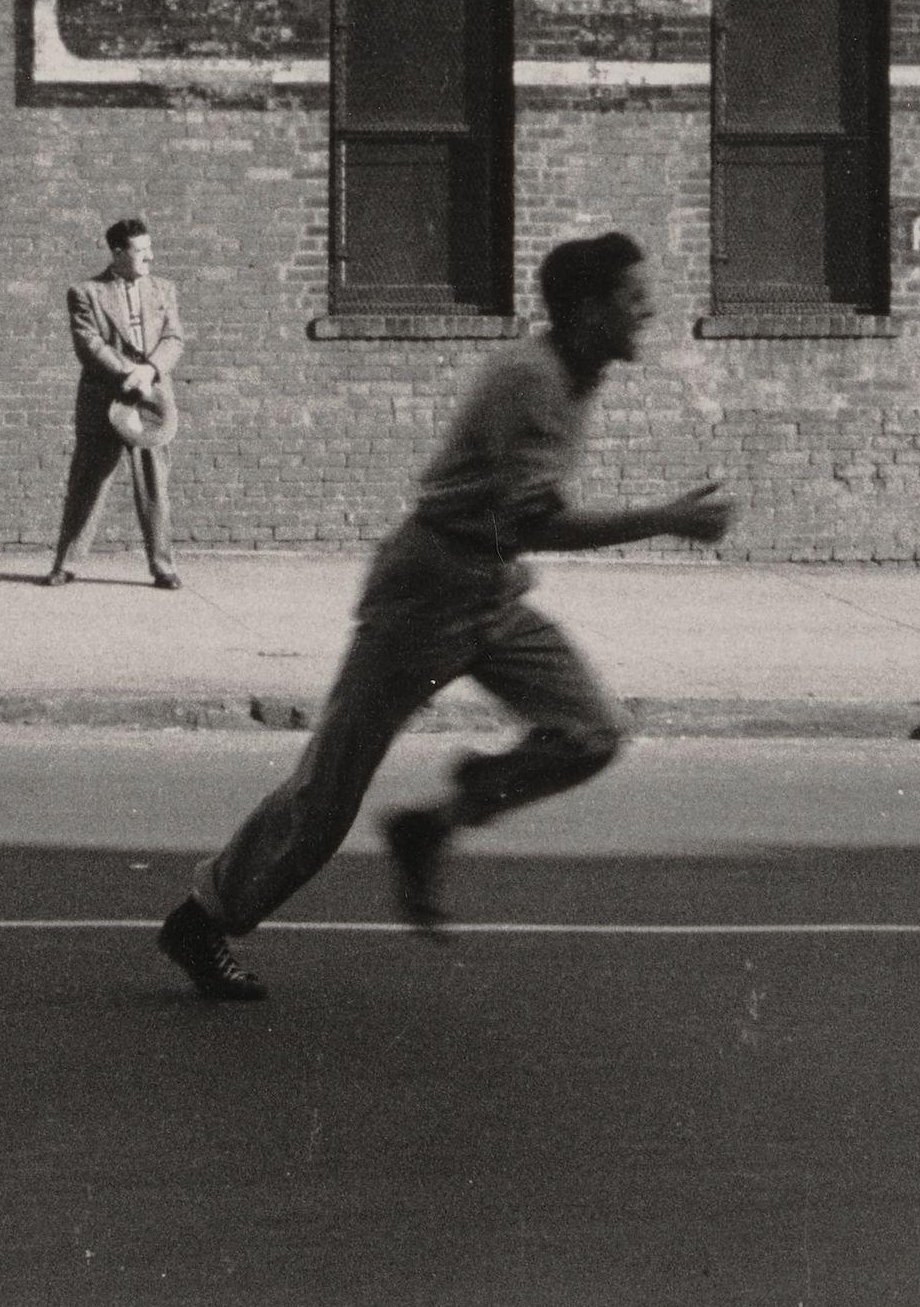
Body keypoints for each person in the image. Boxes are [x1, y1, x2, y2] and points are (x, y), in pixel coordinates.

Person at [158, 232, 734, 1002]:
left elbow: (515, 526)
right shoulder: (529, 382)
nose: (648, 311)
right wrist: (663, 519)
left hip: (490, 587)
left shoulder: (577, 374)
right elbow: (528, 522)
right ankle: (203, 919)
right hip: (426, 593)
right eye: (632, 299)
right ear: (587, 311)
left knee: (593, 732)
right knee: (329, 791)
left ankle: (434, 823)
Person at [46, 218, 184, 589]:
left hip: (153, 399)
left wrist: (150, 370)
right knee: (88, 481)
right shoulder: (85, 292)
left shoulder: (164, 289)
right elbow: (89, 344)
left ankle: (163, 567)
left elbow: (174, 339)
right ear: (118, 253)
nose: (150, 257)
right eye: (141, 250)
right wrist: (129, 372)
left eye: (150, 248)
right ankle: (66, 564)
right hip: (103, 399)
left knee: (155, 484)